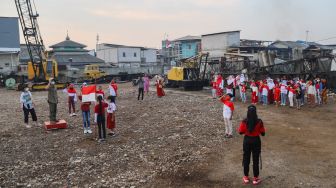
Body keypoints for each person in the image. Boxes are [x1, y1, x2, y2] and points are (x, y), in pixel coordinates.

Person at [238, 105, 265, 185]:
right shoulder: (259, 121)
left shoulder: (244, 121)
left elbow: (240, 132)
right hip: (256, 140)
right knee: (255, 160)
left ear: (247, 112)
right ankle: (255, 178)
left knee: (246, 158)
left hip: (247, 140)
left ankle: (246, 177)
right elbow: (263, 133)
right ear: (255, 112)